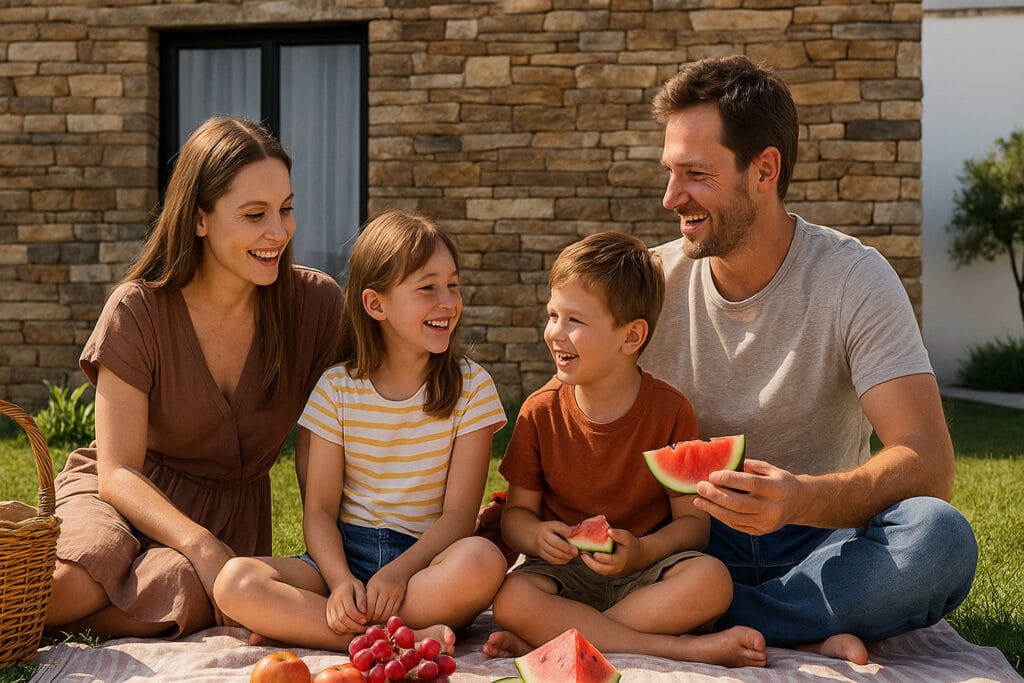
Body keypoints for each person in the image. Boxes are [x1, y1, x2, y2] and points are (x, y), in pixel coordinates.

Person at [642, 55, 978, 663]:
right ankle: (793, 626)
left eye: (695, 173)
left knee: (939, 538)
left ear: (765, 168)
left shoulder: (854, 277)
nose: (671, 197)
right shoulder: (648, 284)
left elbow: (929, 463)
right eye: (670, 172)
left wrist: (799, 499)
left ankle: (701, 621)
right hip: (682, 544)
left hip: (821, 548)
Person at [44, 116, 344, 639]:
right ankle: (47, 611)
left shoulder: (314, 305)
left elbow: (359, 423)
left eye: (286, 208)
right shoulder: (138, 309)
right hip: (120, 496)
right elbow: (117, 473)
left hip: (229, 516)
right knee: (84, 574)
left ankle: (47, 626)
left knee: (187, 588)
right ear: (200, 218)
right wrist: (202, 544)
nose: (279, 232)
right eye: (255, 214)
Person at [214, 210, 509, 651]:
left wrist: (399, 572)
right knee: (234, 581)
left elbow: (458, 517)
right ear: (376, 304)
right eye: (427, 288)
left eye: (453, 284)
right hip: (339, 556)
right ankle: (395, 638)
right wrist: (338, 582)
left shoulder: (473, 387)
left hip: (424, 563)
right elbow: (318, 511)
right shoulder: (336, 388)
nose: (447, 301)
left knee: (484, 560)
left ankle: (319, 629)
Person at [482, 232, 767, 668]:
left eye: (574, 320)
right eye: (552, 314)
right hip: (565, 574)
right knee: (511, 599)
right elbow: (516, 515)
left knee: (712, 580)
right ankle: (679, 649)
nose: (555, 332)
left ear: (631, 336)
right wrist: (536, 536)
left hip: (647, 572)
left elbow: (693, 527)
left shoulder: (670, 411)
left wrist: (643, 551)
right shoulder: (539, 412)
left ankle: (562, 644)